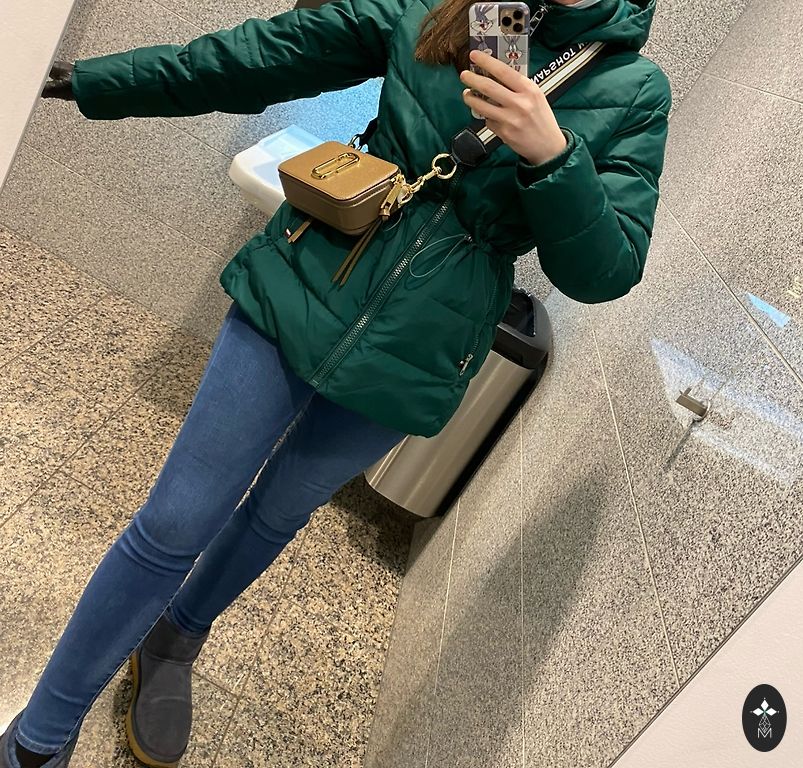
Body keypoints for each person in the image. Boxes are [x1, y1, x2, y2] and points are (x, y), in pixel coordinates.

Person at [1, 0, 671, 765]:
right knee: (175, 523)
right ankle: (39, 738)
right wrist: (69, 77)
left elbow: (605, 271)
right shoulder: (443, 8)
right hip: (304, 282)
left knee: (277, 514)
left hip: (423, 345)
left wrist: (552, 156)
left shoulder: (632, 88)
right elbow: (257, 57)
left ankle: (175, 640)